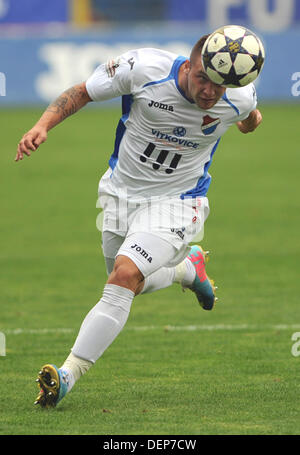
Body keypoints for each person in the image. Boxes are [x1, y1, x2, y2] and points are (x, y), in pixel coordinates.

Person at [16, 34, 262, 408]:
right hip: (120, 195)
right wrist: (42, 126)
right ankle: (187, 271)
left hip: (179, 203)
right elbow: (82, 91)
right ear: (188, 65)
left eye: (219, 84)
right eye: (202, 79)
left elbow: (250, 116)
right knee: (128, 281)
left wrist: (247, 121)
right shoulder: (143, 69)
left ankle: (67, 375)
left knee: (125, 276)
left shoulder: (238, 96)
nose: (210, 92)